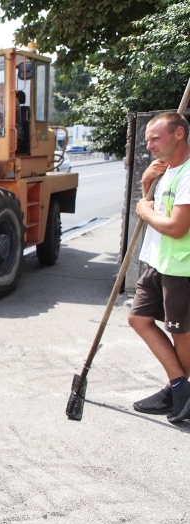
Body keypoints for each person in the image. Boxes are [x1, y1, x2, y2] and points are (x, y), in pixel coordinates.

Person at [128, 112, 190, 423]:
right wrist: (145, 184)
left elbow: (177, 227)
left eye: (155, 138)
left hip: (182, 266)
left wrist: (143, 210)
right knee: (138, 318)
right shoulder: (167, 171)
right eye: (147, 139)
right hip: (158, 260)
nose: (149, 145)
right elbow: (155, 211)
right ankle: (180, 387)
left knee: (181, 334)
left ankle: (176, 391)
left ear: (179, 134)